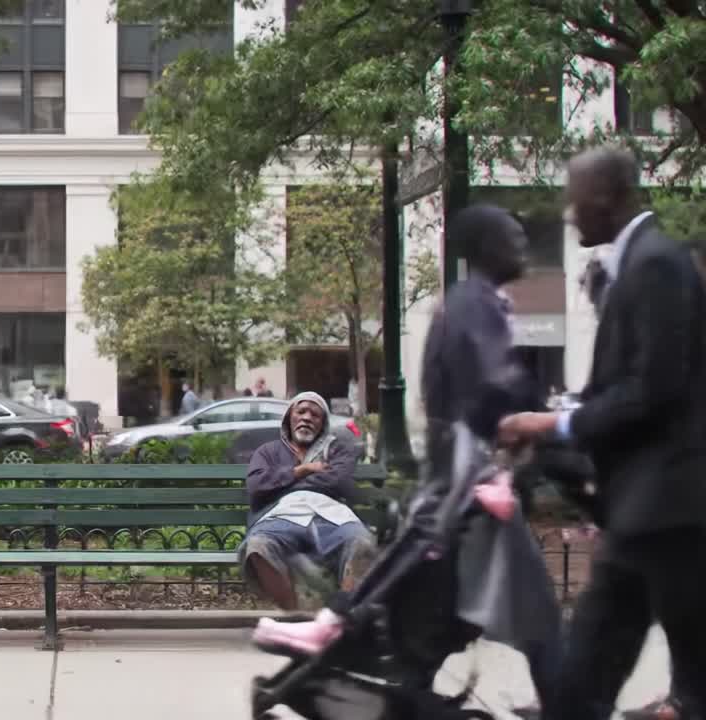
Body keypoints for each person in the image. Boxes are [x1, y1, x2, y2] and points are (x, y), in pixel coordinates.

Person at [255, 205, 561, 710]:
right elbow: (494, 394)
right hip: (473, 488)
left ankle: (340, 636)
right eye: (514, 235)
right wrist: (547, 422)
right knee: (527, 623)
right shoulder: (473, 306)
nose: (524, 244)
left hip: (473, 490)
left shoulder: (470, 305)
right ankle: (337, 631)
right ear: (484, 248)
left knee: (455, 623)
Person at [499, 148, 706, 720]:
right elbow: (625, 388)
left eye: (578, 197)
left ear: (611, 198)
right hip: (649, 511)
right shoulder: (640, 264)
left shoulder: (657, 265)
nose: (569, 212)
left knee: (591, 676)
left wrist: (554, 423)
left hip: (665, 505)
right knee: (590, 678)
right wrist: (553, 427)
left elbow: (650, 390)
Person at [239, 391, 376, 610]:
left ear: (322, 423)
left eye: (315, 414)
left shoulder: (337, 449)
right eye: (300, 411)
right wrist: (303, 470)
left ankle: (342, 617)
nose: (306, 418)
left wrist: (281, 484)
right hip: (281, 516)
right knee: (258, 547)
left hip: (330, 517)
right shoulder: (268, 452)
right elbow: (256, 486)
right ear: (289, 418)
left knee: (362, 543)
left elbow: (338, 481)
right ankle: (294, 614)